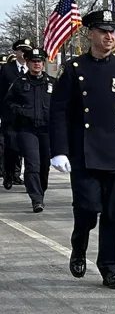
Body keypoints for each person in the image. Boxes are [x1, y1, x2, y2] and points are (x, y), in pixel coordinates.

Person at [48, 9, 115, 289]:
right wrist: (58, 150)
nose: (108, 36)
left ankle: (110, 268)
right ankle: (79, 245)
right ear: (89, 33)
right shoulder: (74, 69)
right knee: (88, 209)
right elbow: (59, 113)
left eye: (112, 31)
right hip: (84, 153)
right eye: (103, 31)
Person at [4, 47, 54, 212]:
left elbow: (62, 106)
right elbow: (8, 103)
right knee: (33, 163)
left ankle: (41, 192)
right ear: (28, 63)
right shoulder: (19, 83)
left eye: (39, 61)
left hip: (47, 130)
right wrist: (21, 112)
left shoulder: (52, 83)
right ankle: (36, 199)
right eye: (33, 61)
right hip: (27, 130)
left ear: (43, 63)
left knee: (44, 166)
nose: (37, 64)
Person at [0, 37, 32, 189]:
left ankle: (20, 175)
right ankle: (8, 173)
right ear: (16, 52)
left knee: (26, 148)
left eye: (28, 51)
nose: (25, 53)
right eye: (23, 51)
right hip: (10, 116)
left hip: (27, 116)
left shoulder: (32, 68)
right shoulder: (6, 69)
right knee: (10, 147)